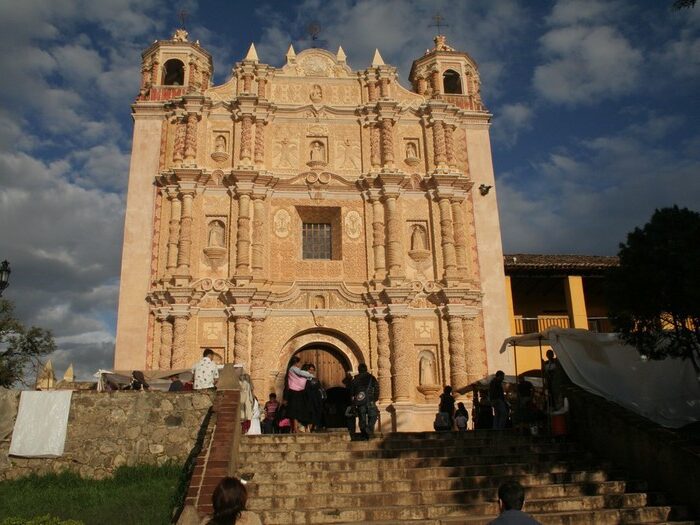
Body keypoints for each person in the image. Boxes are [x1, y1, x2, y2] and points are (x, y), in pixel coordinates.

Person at [285, 355, 314, 432]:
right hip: (294, 392)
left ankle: (296, 427)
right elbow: (301, 373)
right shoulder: (293, 368)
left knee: (297, 410)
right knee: (295, 410)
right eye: (299, 362)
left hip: (297, 392)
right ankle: (295, 428)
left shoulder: (293, 369)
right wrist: (311, 375)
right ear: (296, 362)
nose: (299, 364)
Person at [350, 363, 379, 440]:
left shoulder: (354, 380)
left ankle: (364, 435)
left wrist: (354, 404)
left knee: (362, 419)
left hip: (360, 402)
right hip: (370, 401)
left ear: (359, 370)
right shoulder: (371, 378)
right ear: (366, 369)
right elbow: (377, 388)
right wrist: (375, 398)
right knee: (373, 416)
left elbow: (352, 394)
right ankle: (369, 429)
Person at [303, 363, 326, 432]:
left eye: (313, 370)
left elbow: (319, 388)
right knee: (309, 413)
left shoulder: (315, 379)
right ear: (307, 370)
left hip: (316, 399)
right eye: (310, 369)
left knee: (316, 413)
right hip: (308, 399)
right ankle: (308, 427)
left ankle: (314, 427)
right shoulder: (304, 379)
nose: (311, 371)